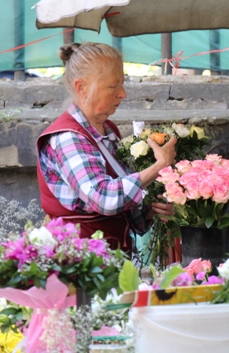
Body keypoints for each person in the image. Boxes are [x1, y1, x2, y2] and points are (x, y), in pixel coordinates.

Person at [37, 42, 176, 252]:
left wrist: (149, 211)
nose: (123, 93)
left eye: (122, 84)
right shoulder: (68, 137)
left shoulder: (107, 130)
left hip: (107, 255)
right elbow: (103, 199)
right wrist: (158, 166)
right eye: (113, 86)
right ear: (81, 88)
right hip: (77, 260)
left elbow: (119, 204)